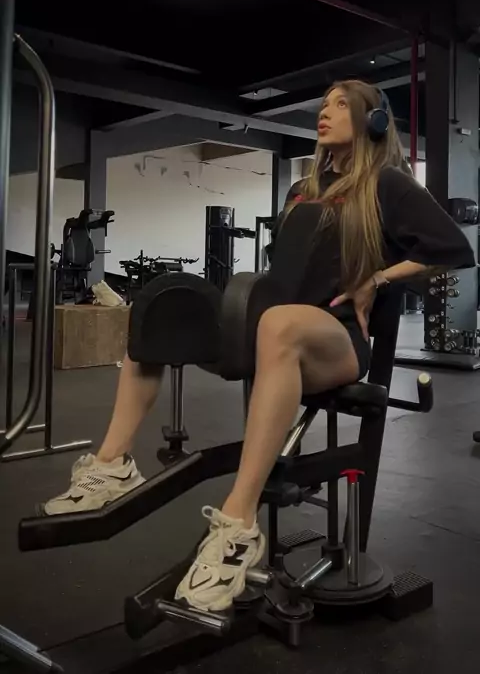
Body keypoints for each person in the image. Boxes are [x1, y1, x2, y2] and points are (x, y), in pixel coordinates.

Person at [41, 81, 474, 613]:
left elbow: (452, 249)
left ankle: (238, 525)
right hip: (277, 327)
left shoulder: (387, 184)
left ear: (374, 121)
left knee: (279, 324)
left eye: (341, 104)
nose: (324, 112)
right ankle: (112, 466)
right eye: (323, 104)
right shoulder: (302, 189)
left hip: (335, 339)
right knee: (160, 303)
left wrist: (378, 279)